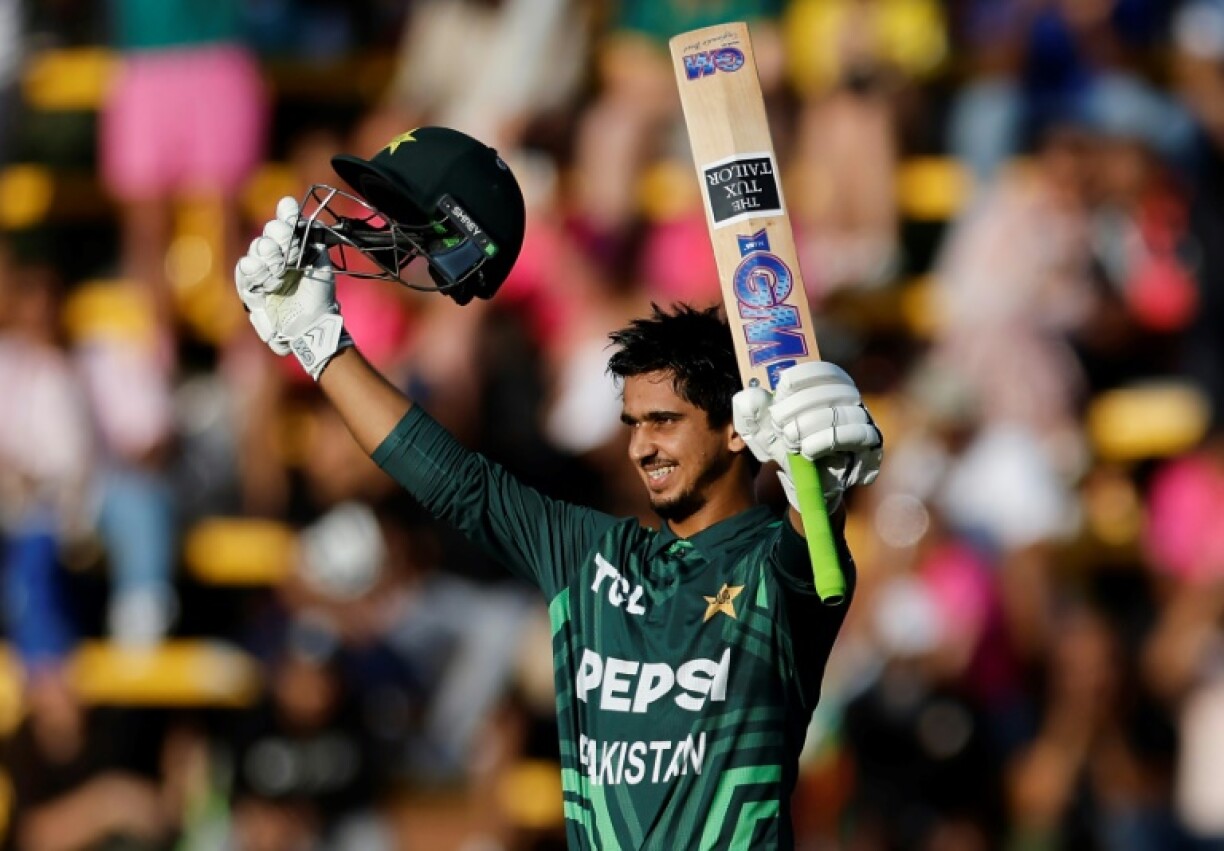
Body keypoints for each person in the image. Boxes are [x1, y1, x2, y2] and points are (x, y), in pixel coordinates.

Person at [232, 126, 883, 849]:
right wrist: (320, 342)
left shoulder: (772, 573)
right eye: (634, 422)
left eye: (665, 421)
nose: (642, 445)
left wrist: (815, 482)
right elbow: (453, 482)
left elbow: (814, 548)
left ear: (737, 429)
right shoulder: (588, 554)